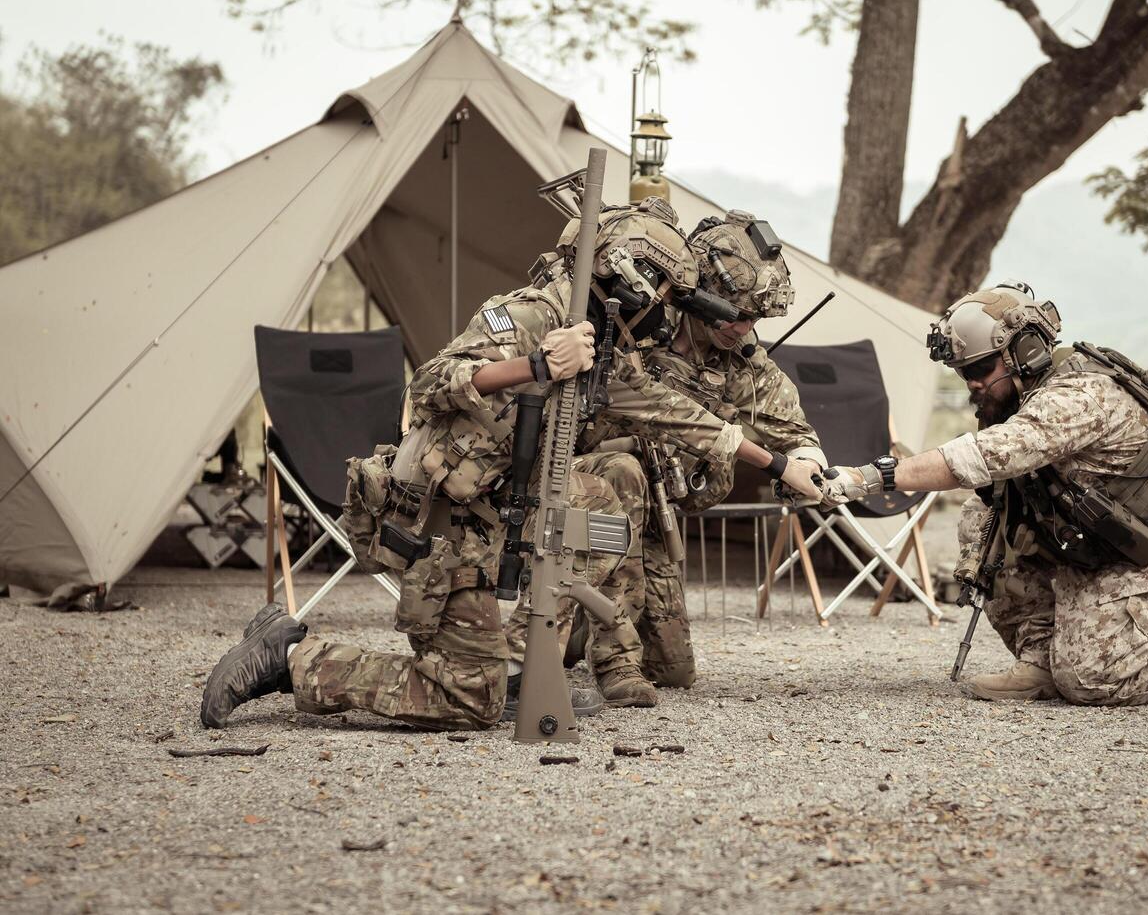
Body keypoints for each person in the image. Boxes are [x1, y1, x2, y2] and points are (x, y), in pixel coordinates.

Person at [199, 197, 822, 730]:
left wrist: (776, 465)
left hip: (506, 506)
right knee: (466, 700)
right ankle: (289, 658)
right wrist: (539, 367)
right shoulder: (531, 314)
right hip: (445, 517)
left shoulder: (608, 342)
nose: (664, 311)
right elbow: (432, 382)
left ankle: (531, 660)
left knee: (603, 502)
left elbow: (676, 412)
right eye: (659, 295)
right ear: (629, 281)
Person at [819, 283, 1148, 707]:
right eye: (962, 372)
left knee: (1092, 675)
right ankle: (1040, 658)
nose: (970, 383)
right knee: (986, 515)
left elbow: (982, 456)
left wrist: (866, 479)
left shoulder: (1076, 396)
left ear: (1024, 353)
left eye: (978, 369)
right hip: (1118, 537)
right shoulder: (1027, 396)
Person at [573, 209, 824, 694]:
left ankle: (577, 624)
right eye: (738, 314)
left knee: (673, 673)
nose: (745, 328)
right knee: (624, 470)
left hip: (655, 521)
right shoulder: (635, 326)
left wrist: (809, 464)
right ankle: (611, 658)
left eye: (755, 317)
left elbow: (794, 430)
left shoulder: (740, 357)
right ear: (702, 297)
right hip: (590, 498)